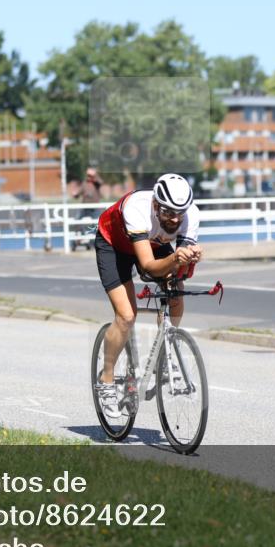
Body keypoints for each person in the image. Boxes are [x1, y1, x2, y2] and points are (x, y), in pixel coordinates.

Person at [93, 173, 202, 417]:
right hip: (114, 245)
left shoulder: (190, 215)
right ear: (155, 204)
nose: (174, 219)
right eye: (167, 212)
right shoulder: (137, 208)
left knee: (175, 291)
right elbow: (148, 266)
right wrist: (175, 257)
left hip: (151, 242)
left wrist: (189, 258)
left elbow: (178, 267)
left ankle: (168, 350)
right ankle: (106, 378)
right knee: (126, 316)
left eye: (179, 213)